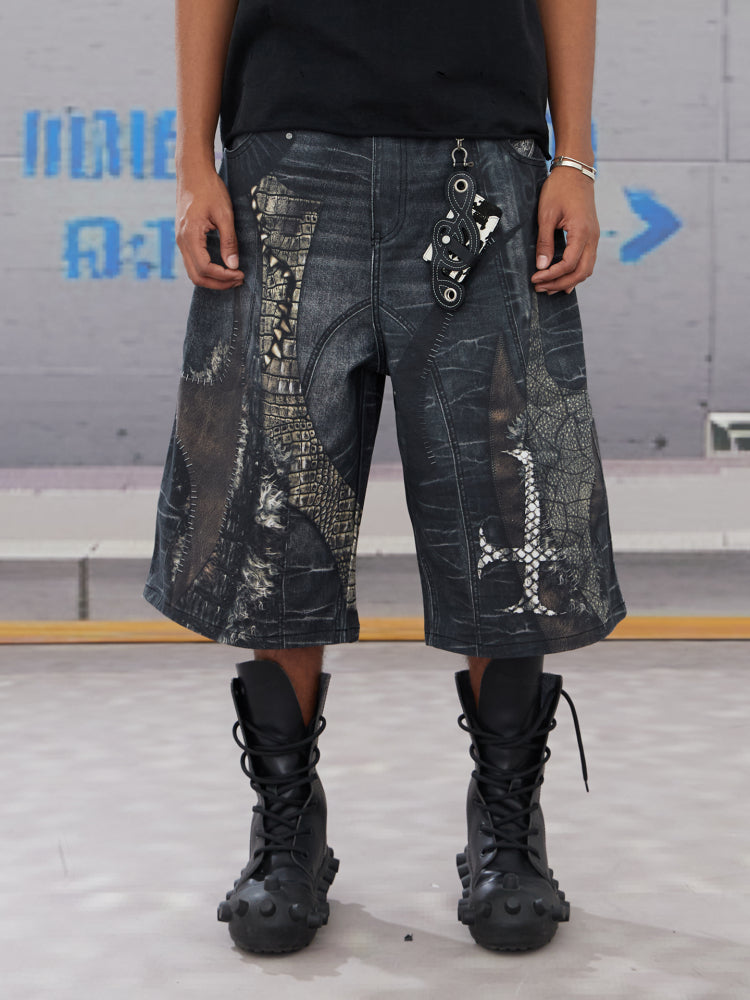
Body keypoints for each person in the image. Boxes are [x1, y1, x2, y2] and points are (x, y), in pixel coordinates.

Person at [144, 0, 627, 954]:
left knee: (507, 504)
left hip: (486, 152)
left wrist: (573, 158)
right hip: (288, 146)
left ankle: (506, 829)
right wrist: (195, 161)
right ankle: (287, 829)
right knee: (278, 509)